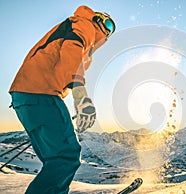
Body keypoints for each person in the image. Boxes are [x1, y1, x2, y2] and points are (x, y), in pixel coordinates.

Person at [9, 5, 115, 194]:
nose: (107, 30)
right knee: (66, 156)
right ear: (96, 19)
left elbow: (67, 65)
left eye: (111, 29)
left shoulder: (85, 44)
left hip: (26, 96)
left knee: (55, 159)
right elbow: (70, 52)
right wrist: (81, 97)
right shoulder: (85, 25)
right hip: (40, 93)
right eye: (106, 22)